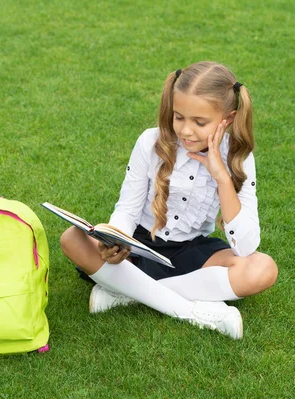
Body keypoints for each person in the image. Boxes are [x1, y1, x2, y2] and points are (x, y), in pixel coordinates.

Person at [60, 61, 278, 339]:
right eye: (179, 117)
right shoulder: (150, 142)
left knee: (262, 269)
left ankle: (128, 294)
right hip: (138, 246)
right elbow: (127, 208)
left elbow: (245, 247)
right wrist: (114, 240)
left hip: (192, 253)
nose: (186, 131)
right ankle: (193, 310)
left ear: (228, 119)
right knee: (72, 238)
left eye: (200, 122)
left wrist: (223, 178)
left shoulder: (239, 158)